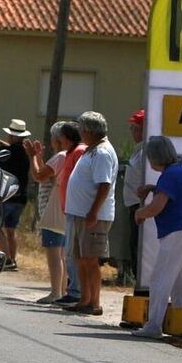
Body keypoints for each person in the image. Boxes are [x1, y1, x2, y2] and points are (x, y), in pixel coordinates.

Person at [132, 136, 182, 339]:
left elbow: (156, 207)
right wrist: (153, 189)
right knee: (180, 280)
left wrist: (139, 213)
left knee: (160, 279)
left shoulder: (170, 174)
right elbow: (172, 192)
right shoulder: (181, 169)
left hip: (177, 232)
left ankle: (154, 325)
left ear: (156, 157)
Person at [61, 111, 117, 316]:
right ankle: (84, 299)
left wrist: (93, 212)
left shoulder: (102, 152)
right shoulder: (92, 150)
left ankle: (94, 302)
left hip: (92, 216)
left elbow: (104, 185)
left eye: (82, 129)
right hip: (80, 214)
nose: (80, 133)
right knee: (81, 259)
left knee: (91, 259)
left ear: (89, 131)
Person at [24, 122, 69, 304]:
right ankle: (63, 290)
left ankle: (55, 291)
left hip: (53, 212)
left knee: (54, 253)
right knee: (63, 254)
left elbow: (38, 175)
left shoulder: (60, 156)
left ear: (58, 140)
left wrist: (32, 157)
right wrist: (39, 158)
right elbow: (47, 175)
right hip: (63, 210)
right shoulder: (69, 156)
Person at [52, 121, 85, 305]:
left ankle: (75, 291)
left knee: (73, 253)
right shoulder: (72, 152)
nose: (60, 140)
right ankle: (73, 289)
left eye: (62, 137)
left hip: (77, 209)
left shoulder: (79, 151)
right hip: (70, 208)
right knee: (70, 252)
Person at [0, 118, 31, 271]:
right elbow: (13, 148)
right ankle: (13, 259)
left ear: (11, 136)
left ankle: (6, 259)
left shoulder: (7, 153)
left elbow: (4, 154)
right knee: (11, 231)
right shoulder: (25, 153)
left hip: (7, 196)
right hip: (21, 197)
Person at [121, 109, 147, 290]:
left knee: (140, 251)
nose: (132, 131)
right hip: (133, 206)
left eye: (135, 128)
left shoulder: (147, 150)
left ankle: (143, 290)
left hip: (142, 207)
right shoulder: (139, 149)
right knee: (134, 249)